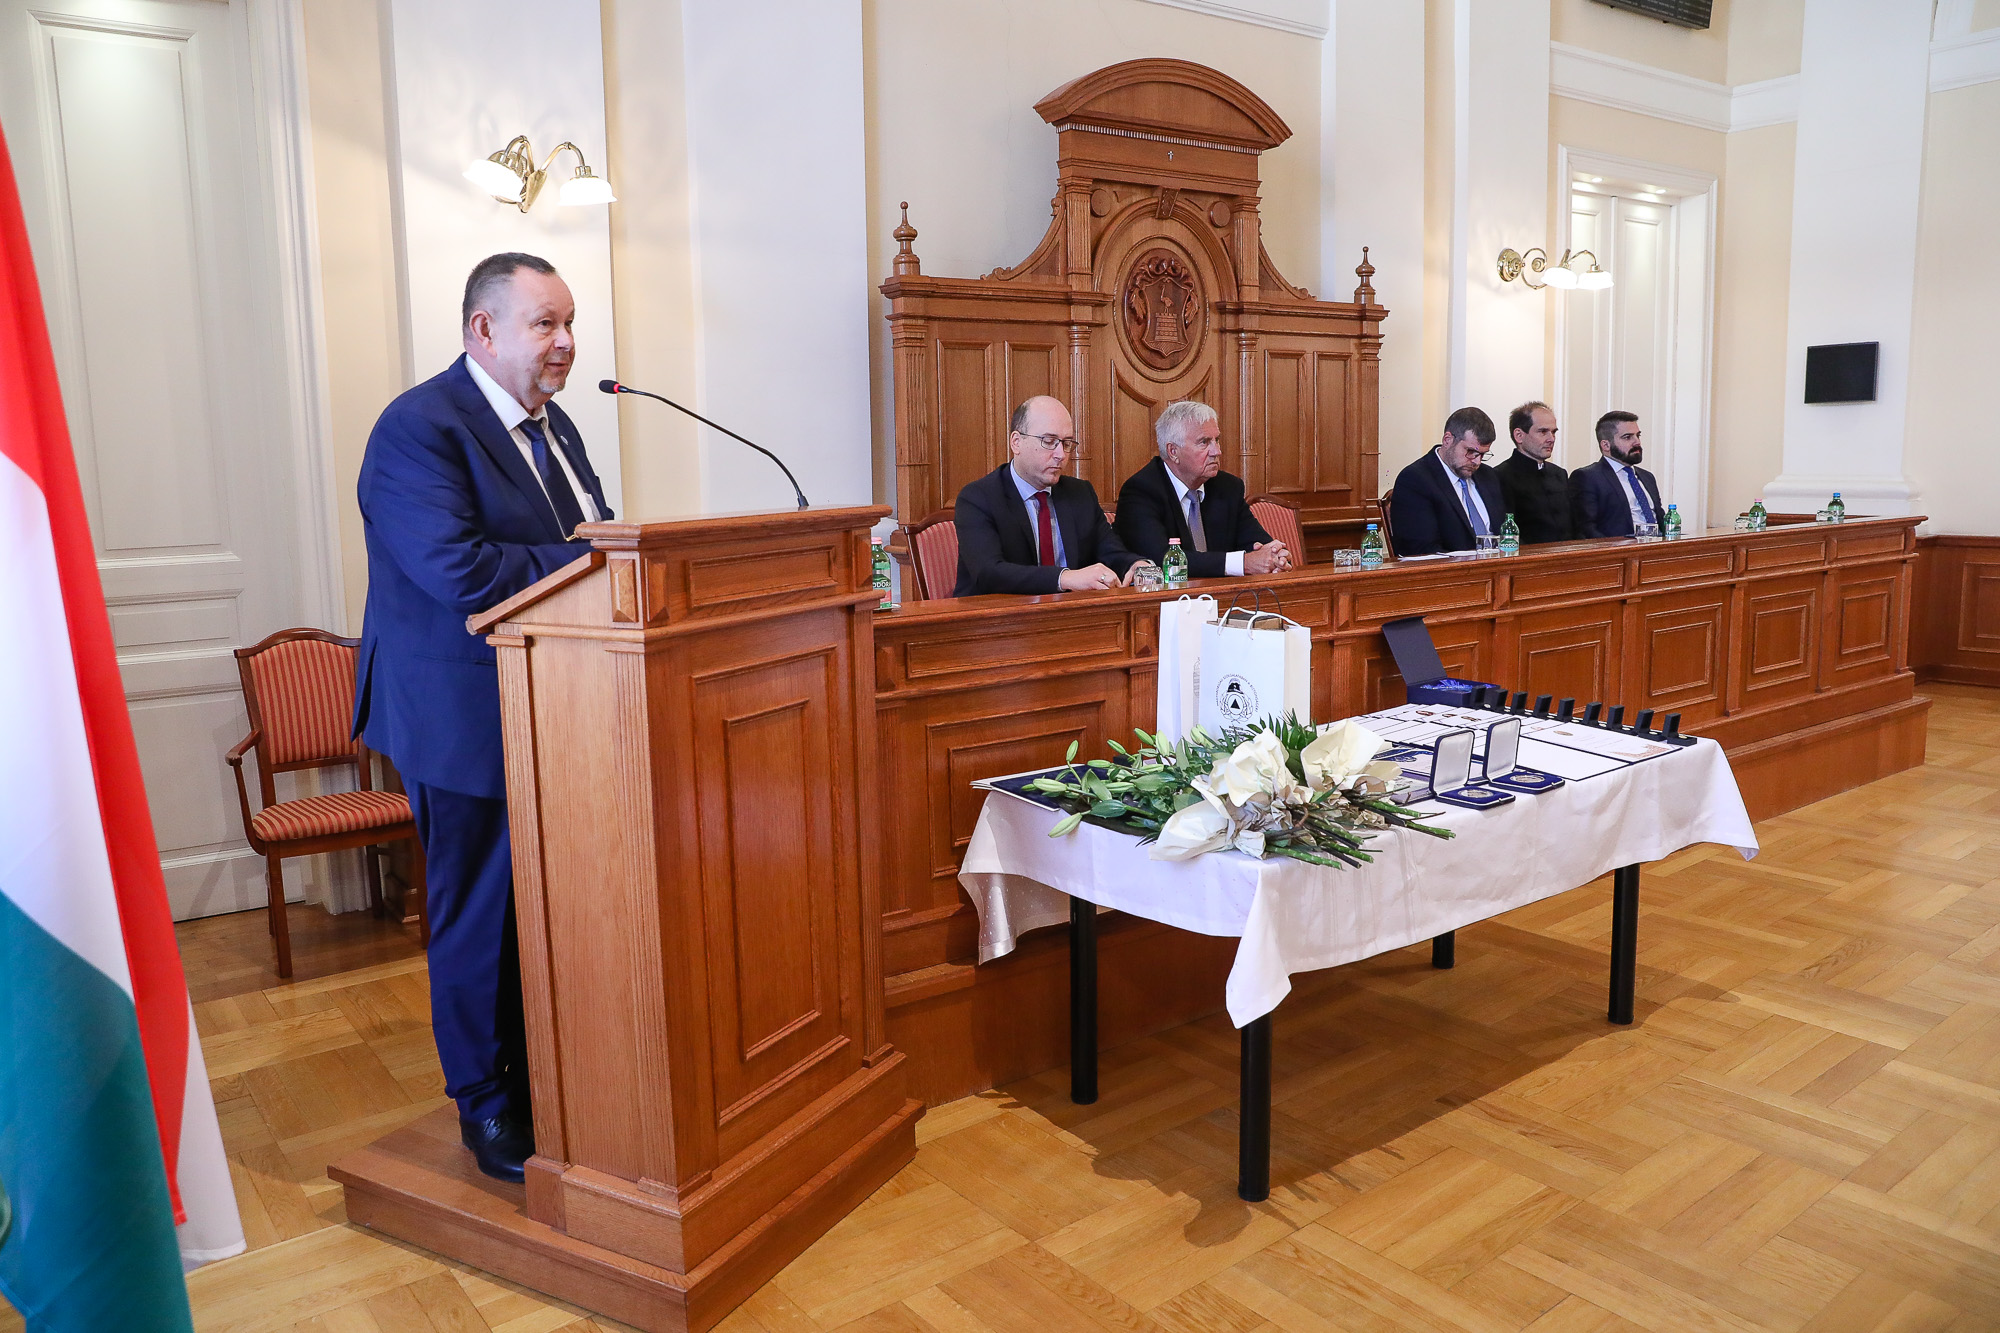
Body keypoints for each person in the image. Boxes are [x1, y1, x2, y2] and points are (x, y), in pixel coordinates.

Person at [352, 253, 614, 1183]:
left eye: (570, 322)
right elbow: (461, 570)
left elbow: (592, 532)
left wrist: (606, 555)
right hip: (458, 712)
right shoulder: (418, 427)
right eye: (546, 324)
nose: (566, 343)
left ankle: (546, 1071)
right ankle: (486, 1101)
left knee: (544, 906)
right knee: (479, 914)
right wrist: (598, 562)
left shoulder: (557, 426)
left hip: (556, 705)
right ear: (483, 329)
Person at [952, 395, 1146, 595]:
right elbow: (989, 573)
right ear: (1016, 442)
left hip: (1072, 611)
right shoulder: (978, 498)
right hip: (997, 611)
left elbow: (1110, 552)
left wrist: (1135, 565)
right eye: (1049, 441)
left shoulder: (1080, 493)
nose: (1061, 455)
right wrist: (1065, 578)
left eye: (1066, 443)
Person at [1114, 399, 1291, 577]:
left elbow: (1257, 542)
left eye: (1217, 440)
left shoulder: (1227, 487)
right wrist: (1242, 564)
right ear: (1173, 451)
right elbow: (1162, 560)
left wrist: (1276, 557)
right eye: (1204, 442)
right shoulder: (1141, 490)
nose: (1217, 451)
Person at [1387, 407, 1509, 556]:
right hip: (1452, 568)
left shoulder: (1488, 475)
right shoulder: (1415, 480)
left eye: (1482, 454)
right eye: (1471, 452)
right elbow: (1421, 550)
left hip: (1498, 565)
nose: (1477, 461)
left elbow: (1505, 533)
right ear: (1447, 440)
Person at [1569, 410, 1665, 539]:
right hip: (1619, 549)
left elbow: (1661, 521)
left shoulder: (1647, 477)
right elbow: (1586, 529)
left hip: (1657, 546)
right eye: (1627, 437)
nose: (1637, 442)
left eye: (1638, 435)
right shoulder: (1587, 477)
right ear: (1606, 445)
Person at [1494, 401, 1571, 544]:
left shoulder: (1559, 474)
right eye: (1543, 432)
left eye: (1553, 432)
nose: (1551, 439)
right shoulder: (1500, 476)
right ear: (1519, 435)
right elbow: (1506, 531)